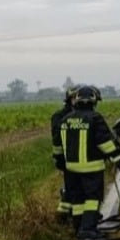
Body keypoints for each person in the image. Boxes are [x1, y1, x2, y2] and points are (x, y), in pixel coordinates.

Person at [59, 85, 120, 240]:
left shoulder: (66, 120)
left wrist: (61, 163)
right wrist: (118, 159)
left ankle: (80, 230)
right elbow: (105, 143)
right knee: (92, 200)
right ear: (93, 101)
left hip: (71, 170)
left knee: (78, 201)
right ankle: (88, 231)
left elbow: (58, 146)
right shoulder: (95, 118)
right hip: (91, 168)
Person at [50, 87, 76, 223]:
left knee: (74, 187)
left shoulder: (81, 114)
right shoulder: (60, 116)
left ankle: (74, 215)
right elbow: (57, 139)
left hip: (79, 158)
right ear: (70, 99)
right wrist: (60, 160)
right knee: (71, 187)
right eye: (75, 97)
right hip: (68, 159)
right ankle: (65, 216)